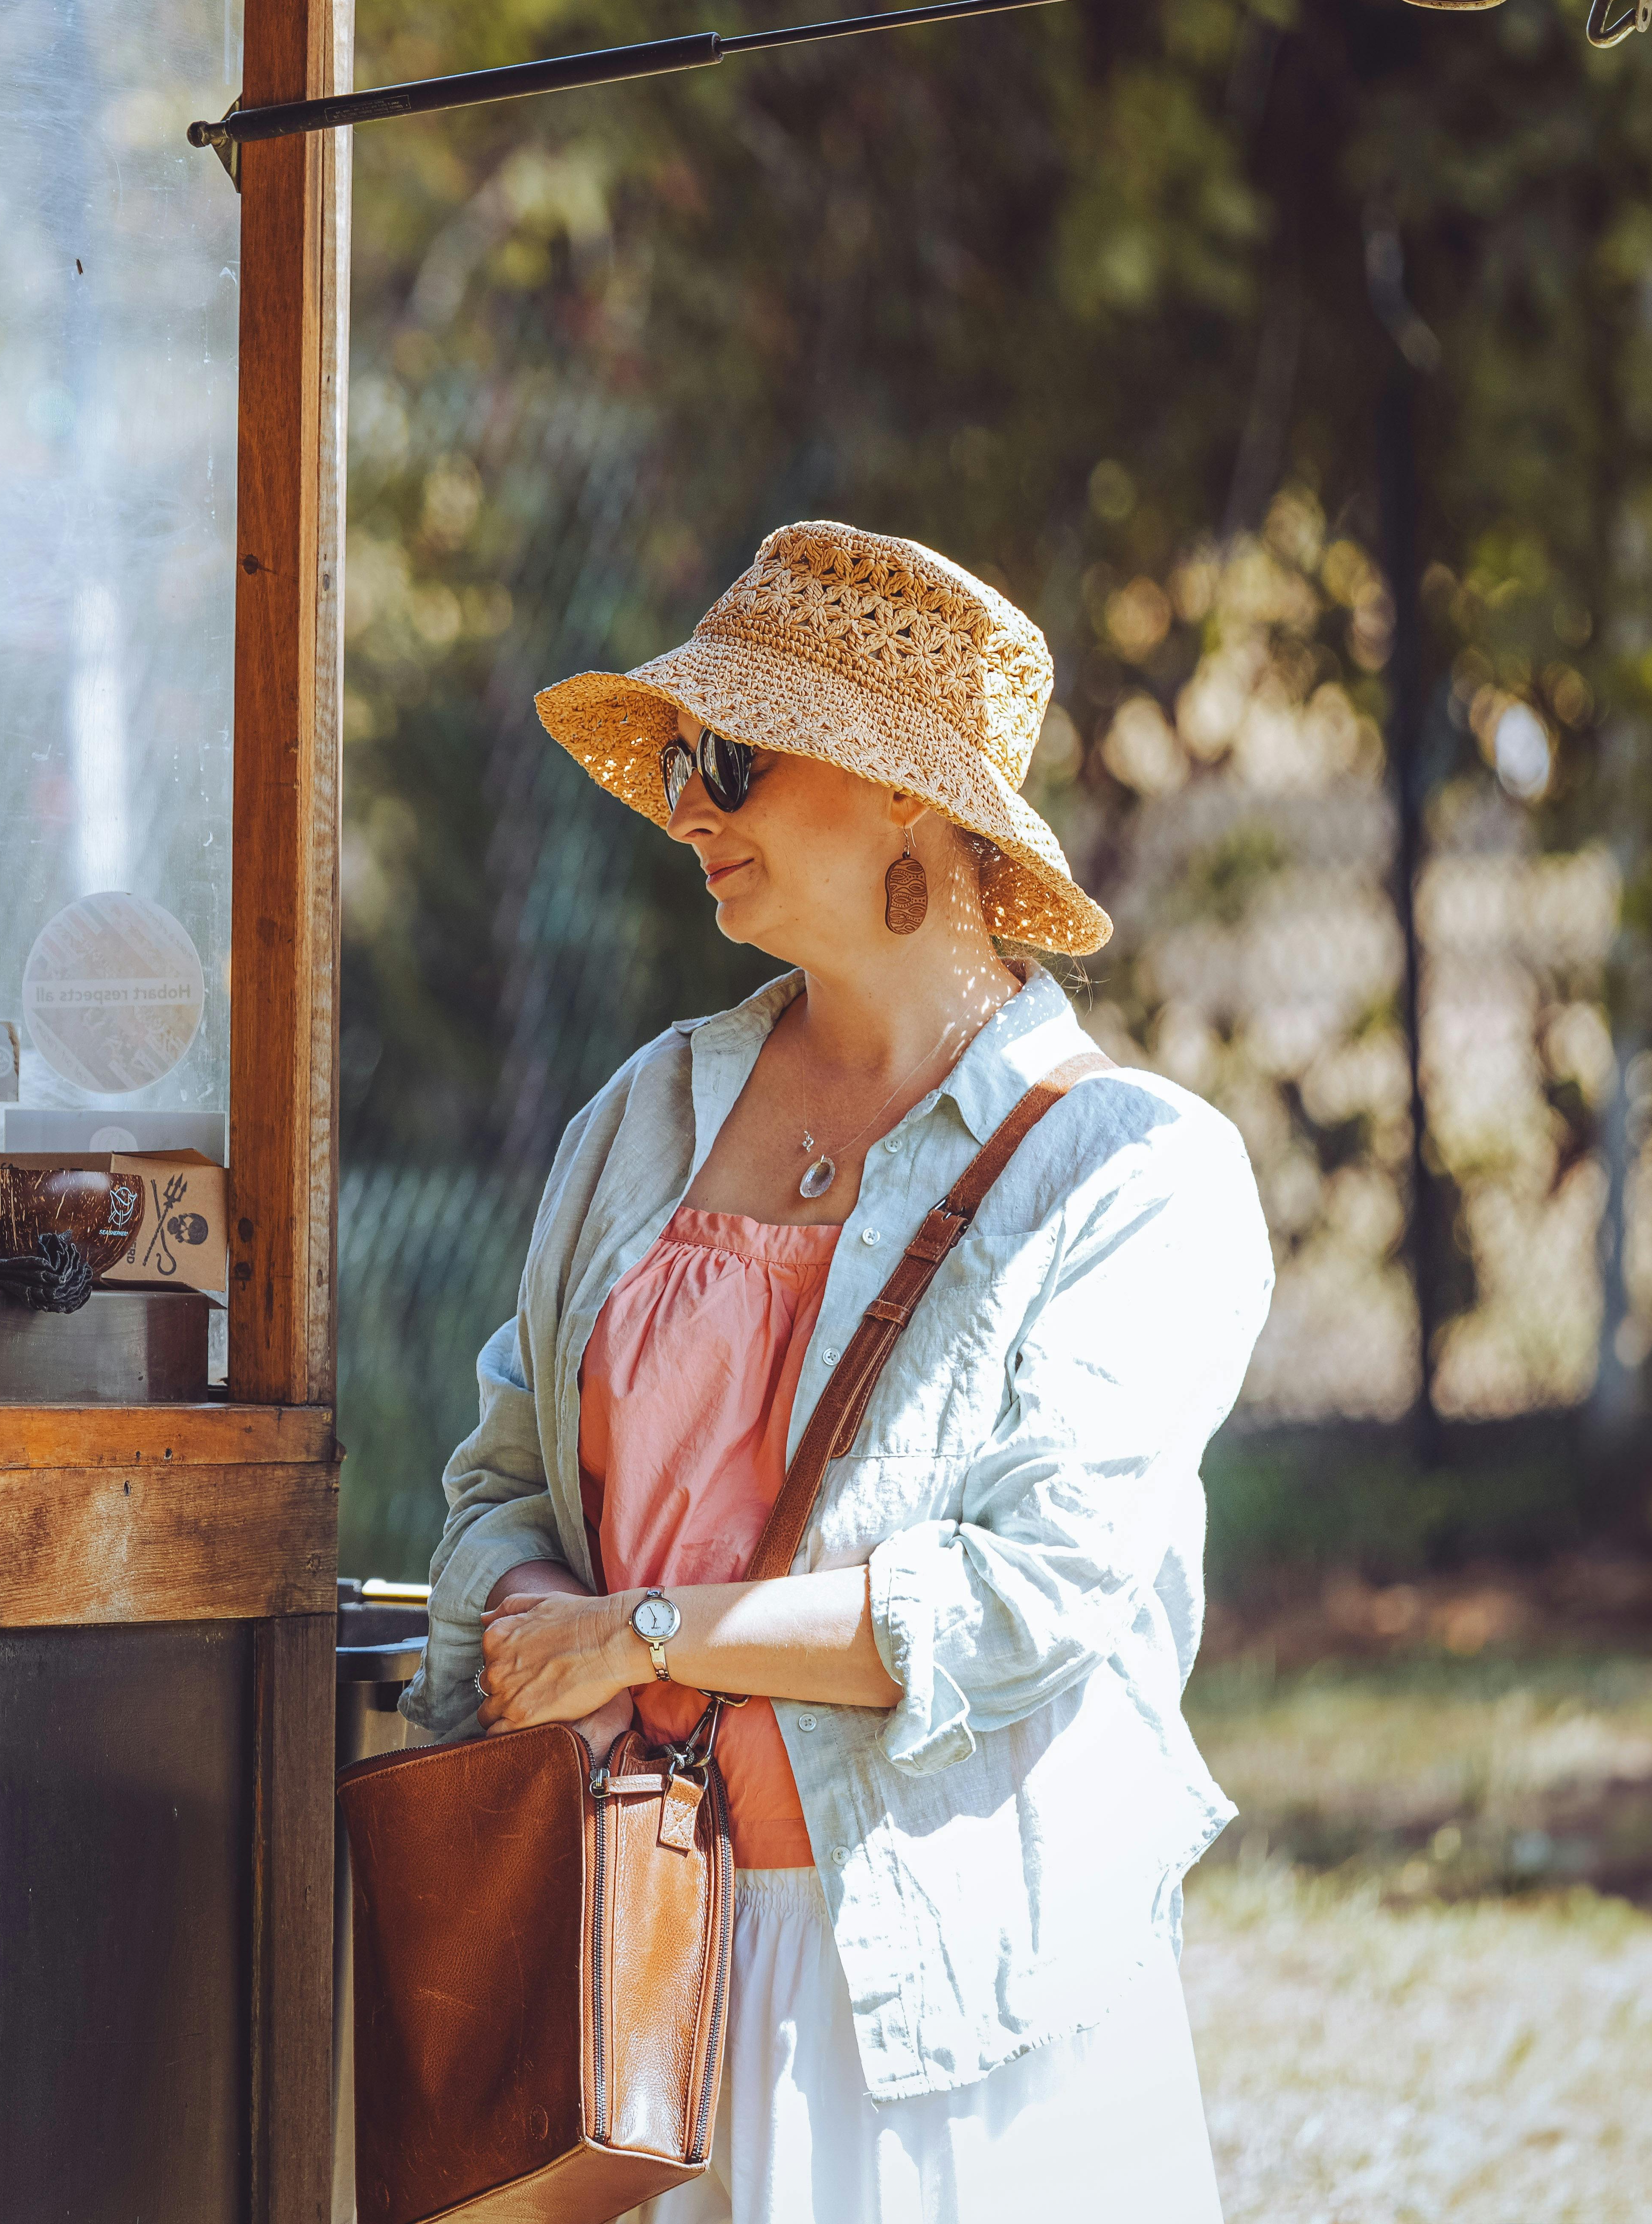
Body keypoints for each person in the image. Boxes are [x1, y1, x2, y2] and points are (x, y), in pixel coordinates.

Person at [405, 520, 1273, 2223]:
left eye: (731, 759)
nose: (685, 809)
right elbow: (500, 1480)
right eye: (678, 765)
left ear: (905, 797)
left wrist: (640, 1638)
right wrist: (520, 1615)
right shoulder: (643, 1116)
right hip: (625, 1971)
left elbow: (1034, 1595)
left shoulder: (1129, 1173)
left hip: (932, 2008)